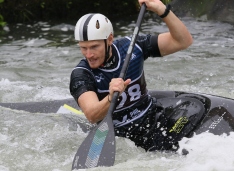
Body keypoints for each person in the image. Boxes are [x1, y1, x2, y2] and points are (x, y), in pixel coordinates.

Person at [70, 0, 197, 152]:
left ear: (110, 39)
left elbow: (183, 41)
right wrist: (110, 98)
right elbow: (92, 115)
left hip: (153, 121)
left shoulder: (132, 47)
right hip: (121, 138)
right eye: (83, 48)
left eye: (94, 47)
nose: (89, 54)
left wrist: (162, 10)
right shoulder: (81, 74)